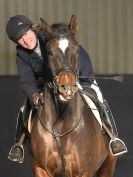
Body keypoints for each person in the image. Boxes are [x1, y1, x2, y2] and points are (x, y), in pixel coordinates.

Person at [6, 14, 127, 163]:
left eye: (26, 33)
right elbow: (26, 81)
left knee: (97, 98)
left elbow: (77, 55)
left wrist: (83, 82)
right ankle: (18, 144)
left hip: (78, 79)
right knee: (24, 109)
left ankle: (113, 137)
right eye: (19, 38)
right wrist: (34, 95)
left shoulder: (51, 37)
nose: (25, 39)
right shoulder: (21, 55)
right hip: (45, 88)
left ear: (33, 29)